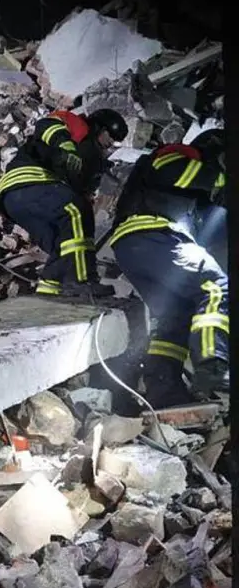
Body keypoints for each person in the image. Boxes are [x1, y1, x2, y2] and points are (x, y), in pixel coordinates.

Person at [103, 128, 229, 407]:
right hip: (155, 235)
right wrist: (219, 179)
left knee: (176, 316)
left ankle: (164, 393)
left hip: (135, 247)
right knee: (215, 284)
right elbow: (172, 171)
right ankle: (213, 363)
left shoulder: (189, 186)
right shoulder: (179, 154)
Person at [0, 108, 128, 296]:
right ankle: (81, 280)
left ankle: (51, 285)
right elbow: (46, 125)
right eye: (110, 135)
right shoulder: (78, 127)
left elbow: (83, 190)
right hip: (30, 180)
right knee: (74, 209)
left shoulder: (93, 160)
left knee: (64, 241)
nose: (110, 143)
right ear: (99, 127)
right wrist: (65, 145)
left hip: (16, 201)